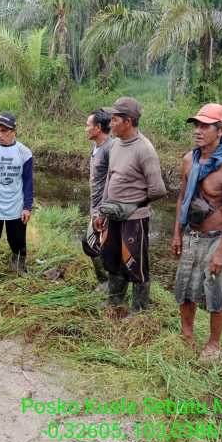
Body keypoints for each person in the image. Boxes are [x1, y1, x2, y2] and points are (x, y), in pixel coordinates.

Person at [171, 103, 222, 360]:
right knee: (185, 288)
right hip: (192, 234)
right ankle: (187, 334)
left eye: (205, 126)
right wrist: (177, 232)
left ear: (221, 130)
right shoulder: (189, 160)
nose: (198, 131)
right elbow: (182, 198)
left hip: (216, 238)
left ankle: (213, 344)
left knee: (217, 292)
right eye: (196, 125)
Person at [94, 97, 166, 316]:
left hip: (134, 219)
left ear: (128, 121)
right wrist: (102, 210)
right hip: (112, 214)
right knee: (112, 258)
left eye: (114, 119)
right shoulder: (115, 145)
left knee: (135, 263)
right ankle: (115, 301)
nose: (110, 123)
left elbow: (158, 189)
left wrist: (132, 205)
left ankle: (139, 310)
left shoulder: (144, 150)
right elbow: (109, 178)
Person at [0, 112, 33, 283]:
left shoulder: (24, 153)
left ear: (13, 131)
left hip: (16, 204)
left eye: (4, 131)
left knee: (17, 239)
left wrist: (27, 207)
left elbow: (28, 182)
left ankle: (19, 266)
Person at [82, 109, 113, 289]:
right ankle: (107, 282)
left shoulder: (110, 148)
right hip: (96, 207)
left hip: (104, 208)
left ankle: (108, 283)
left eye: (88, 126)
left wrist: (102, 211)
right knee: (95, 245)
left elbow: (112, 182)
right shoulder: (97, 147)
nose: (86, 129)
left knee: (90, 243)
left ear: (98, 128)